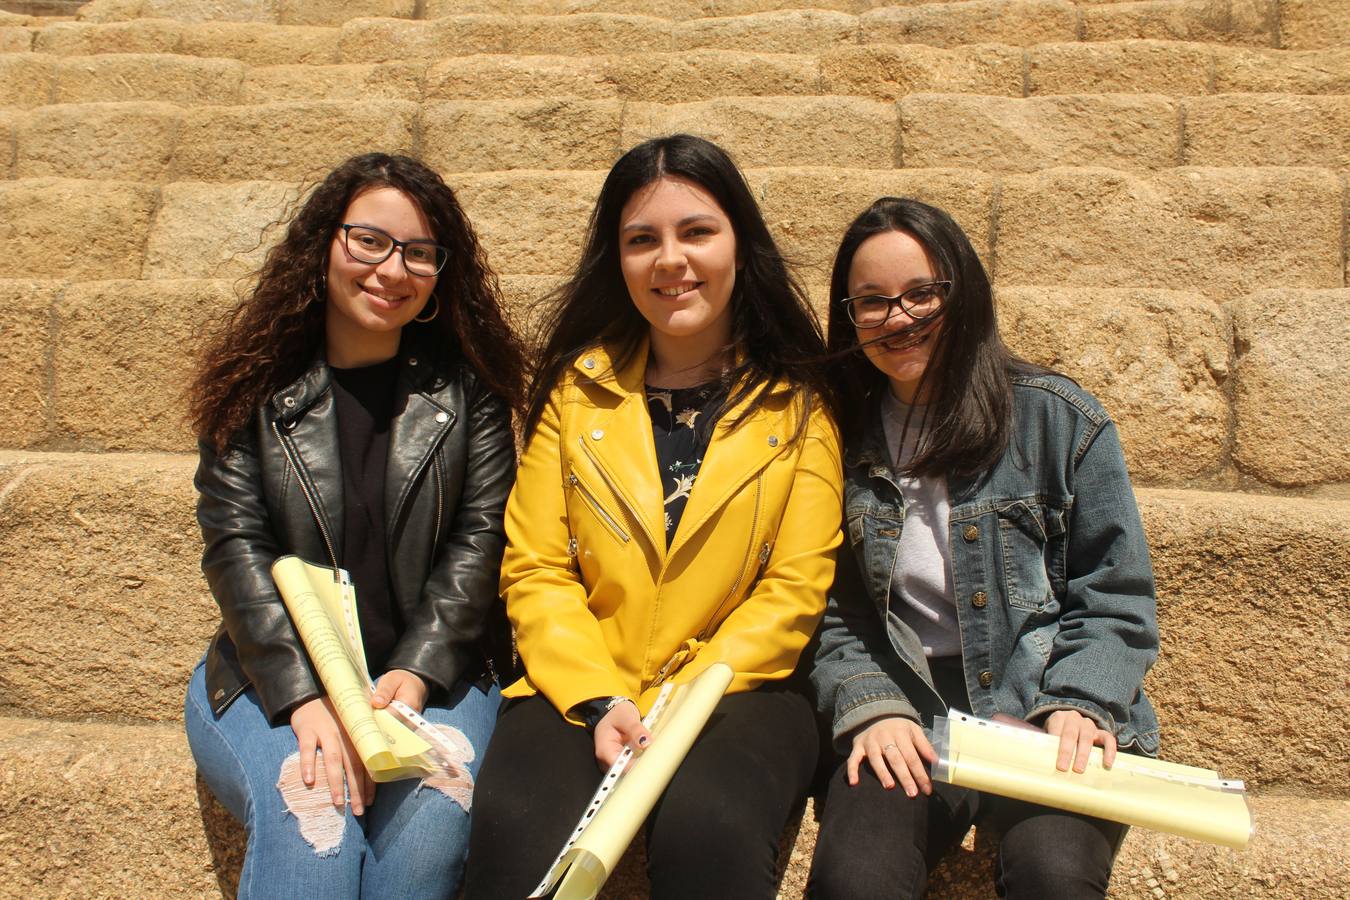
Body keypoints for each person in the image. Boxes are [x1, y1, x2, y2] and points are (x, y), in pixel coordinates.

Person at [461, 134, 843, 899]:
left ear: (740, 243)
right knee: (515, 823)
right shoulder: (576, 391)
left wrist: (682, 698)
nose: (671, 260)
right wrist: (602, 695)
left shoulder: (800, 402)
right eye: (642, 240)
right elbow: (535, 564)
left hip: (738, 689)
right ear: (619, 260)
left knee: (714, 827)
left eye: (697, 231)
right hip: (583, 677)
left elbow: (796, 587)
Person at [184, 152, 525, 899]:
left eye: (420, 253)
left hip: (437, 676)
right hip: (272, 676)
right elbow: (236, 549)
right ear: (324, 245)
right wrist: (308, 698)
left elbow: (481, 543)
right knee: (318, 827)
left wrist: (414, 673)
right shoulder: (255, 389)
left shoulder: (472, 397)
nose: (392, 269)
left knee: (427, 840)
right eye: (369, 241)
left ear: (441, 274)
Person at [808, 198, 1159, 899]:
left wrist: (1079, 702)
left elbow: (1114, 592)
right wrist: (870, 703)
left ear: (961, 293)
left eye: (920, 294)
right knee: (857, 881)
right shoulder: (834, 434)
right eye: (871, 302)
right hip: (907, 703)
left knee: (1053, 875)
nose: (898, 318)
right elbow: (824, 604)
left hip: (1041, 692)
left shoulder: (1057, 420)